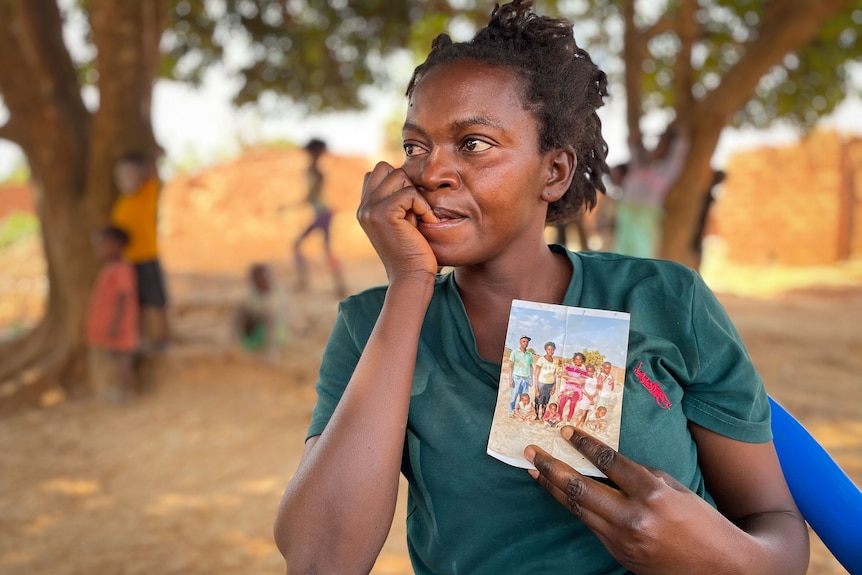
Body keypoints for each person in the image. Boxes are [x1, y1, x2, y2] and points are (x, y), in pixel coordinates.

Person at [274, 2, 808, 573]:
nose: (430, 173)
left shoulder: (664, 300)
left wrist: (714, 557)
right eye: (415, 146)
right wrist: (409, 284)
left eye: (474, 143)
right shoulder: (370, 328)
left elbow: (778, 532)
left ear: (552, 172)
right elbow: (319, 560)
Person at [111, 152, 170, 351]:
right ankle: (142, 340)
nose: (127, 180)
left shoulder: (147, 193)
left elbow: (153, 171)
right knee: (138, 303)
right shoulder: (119, 207)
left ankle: (164, 338)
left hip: (149, 257)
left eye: (132, 175)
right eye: (122, 176)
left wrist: (150, 158)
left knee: (159, 301)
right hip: (129, 262)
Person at [613, 125, 690, 259]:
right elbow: (632, 147)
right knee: (621, 252)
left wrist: (682, 139)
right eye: (657, 144)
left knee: (642, 253)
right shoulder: (639, 166)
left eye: (663, 145)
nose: (657, 148)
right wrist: (634, 138)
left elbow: (679, 155)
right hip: (626, 213)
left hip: (645, 216)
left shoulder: (666, 172)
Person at [85, 226, 139, 401]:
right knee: (116, 358)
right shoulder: (110, 268)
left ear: (117, 246)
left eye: (103, 245)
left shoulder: (122, 268)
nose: (99, 250)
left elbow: (124, 297)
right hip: (111, 322)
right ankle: (119, 390)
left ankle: (127, 392)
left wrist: (116, 323)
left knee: (122, 358)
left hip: (119, 324)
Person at [293, 138, 347, 298]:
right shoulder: (314, 170)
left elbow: (311, 196)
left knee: (320, 249)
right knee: (324, 250)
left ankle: (336, 285)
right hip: (323, 213)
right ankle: (338, 285)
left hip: (322, 214)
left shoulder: (315, 171)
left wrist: (289, 206)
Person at [234, 263, 289, 358]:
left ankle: (272, 353)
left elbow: (274, 310)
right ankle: (232, 347)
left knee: (269, 317)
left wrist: (257, 315)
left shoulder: (277, 292)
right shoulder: (251, 294)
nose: (264, 280)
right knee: (240, 313)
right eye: (260, 278)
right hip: (255, 333)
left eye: (266, 277)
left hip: (276, 334)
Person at [507, 335, 534, 413]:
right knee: (513, 397)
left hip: (526, 379)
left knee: (524, 398)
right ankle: (510, 412)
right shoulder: (514, 352)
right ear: (520, 342)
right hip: (516, 378)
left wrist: (531, 379)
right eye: (524, 341)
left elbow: (531, 367)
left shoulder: (529, 354)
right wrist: (510, 379)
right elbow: (510, 366)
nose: (525, 343)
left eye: (527, 342)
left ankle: (521, 412)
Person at [533, 341, 558, 420]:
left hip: (550, 384)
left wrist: (554, 387)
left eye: (552, 349)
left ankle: (543, 416)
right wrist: (536, 389)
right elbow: (536, 374)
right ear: (545, 350)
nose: (551, 351)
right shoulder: (541, 360)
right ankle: (537, 416)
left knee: (545, 403)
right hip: (541, 384)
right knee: (538, 402)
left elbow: (555, 375)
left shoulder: (554, 362)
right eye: (549, 349)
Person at [575, 364, 599, 428]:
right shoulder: (584, 378)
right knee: (582, 413)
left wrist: (592, 397)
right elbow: (582, 389)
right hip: (585, 397)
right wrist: (589, 397)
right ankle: (577, 426)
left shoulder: (596, 379)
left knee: (586, 413)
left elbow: (597, 390)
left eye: (592, 371)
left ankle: (582, 425)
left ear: (594, 371)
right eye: (588, 371)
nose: (590, 373)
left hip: (592, 398)